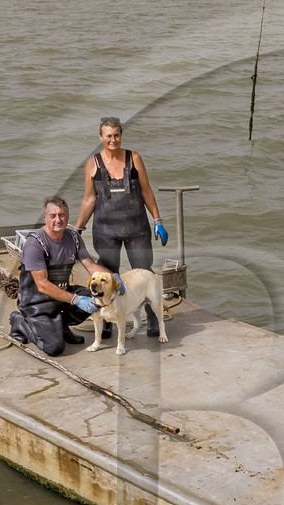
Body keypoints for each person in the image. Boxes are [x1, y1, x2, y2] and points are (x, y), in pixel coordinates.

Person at [76, 117, 168, 337]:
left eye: (116, 135)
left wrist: (157, 220)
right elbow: (89, 199)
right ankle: (106, 319)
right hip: (105, 230)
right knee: (106, 275)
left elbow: (146, 191)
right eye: (108, 136)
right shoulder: (92, 163)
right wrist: (78, 230)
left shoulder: (134, 158)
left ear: (121, 135)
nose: (113, 140)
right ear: (101, 137)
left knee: (144, 273)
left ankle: (153, 319)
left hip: (137, 227)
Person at [9, 196, 109, 357]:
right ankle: (19, 322)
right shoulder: (35, 244)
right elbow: (42, 284)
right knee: (54, 348)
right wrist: (76, 300)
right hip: (36, 304)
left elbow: (90, 265)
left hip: (60, 299)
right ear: (45, 218)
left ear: (67, 216)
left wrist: (116, 280)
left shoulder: (74, 238)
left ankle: (61, 326)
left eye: (61, 215)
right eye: (53, 216)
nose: (58, 219)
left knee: (98, 297)